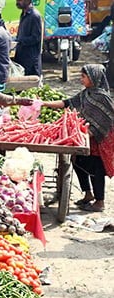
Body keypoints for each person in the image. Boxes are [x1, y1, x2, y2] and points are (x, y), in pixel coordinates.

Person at [42, 65, 114, 212]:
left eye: (83, 77)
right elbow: (67, 103)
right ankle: (88, 194)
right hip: (86, 136)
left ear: (93, 77)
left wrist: (89, 132)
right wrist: (43, 103)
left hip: (100, 140)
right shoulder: (86, 93)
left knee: (96, 168)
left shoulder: (103, 97)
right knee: (76, 161)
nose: (81, 79)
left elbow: (106, 120)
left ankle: (100, 201)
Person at [14, 0, 42, 77]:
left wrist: (19, 41)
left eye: (20, 0)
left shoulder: (34, 16)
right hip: (21, 56)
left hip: (31, 60)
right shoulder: (23, 14)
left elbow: (36, 38)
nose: (17, 2)